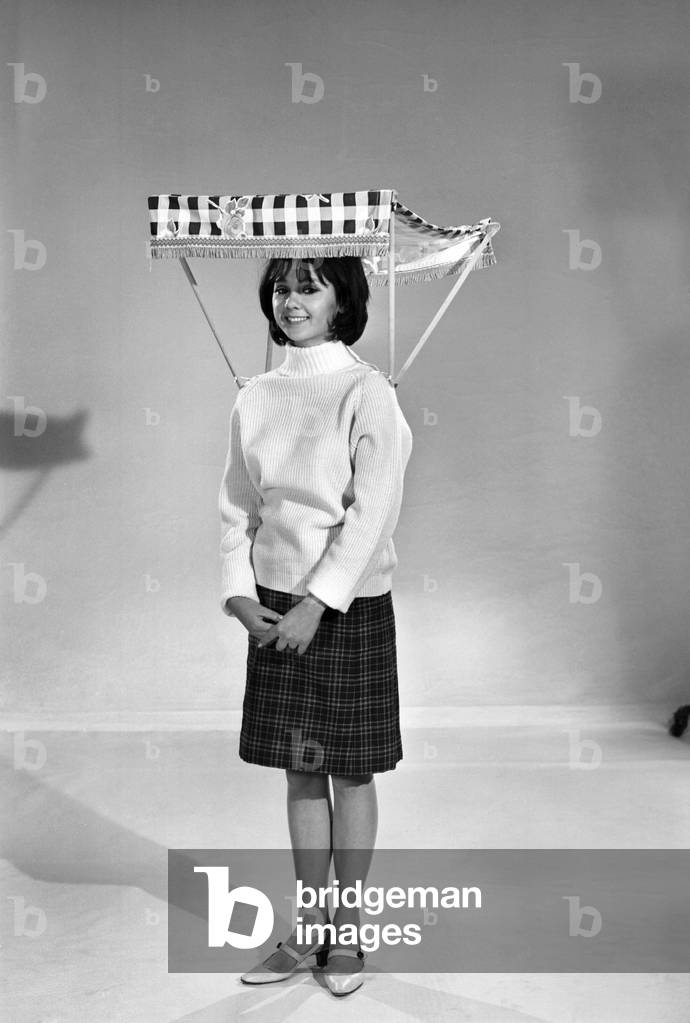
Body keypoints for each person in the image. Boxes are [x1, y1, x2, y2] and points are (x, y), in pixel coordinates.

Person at [218, 254, 413, 996]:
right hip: (272, 605)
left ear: (343, 300)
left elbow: (374, 512)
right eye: (281, 286)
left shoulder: (368, 391)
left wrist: (319, 600)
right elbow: (237, 504)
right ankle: (308, 930)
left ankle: (349, 932)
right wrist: (239, 591)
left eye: (310, 284)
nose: (291, 299)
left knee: (350, 766)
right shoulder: (255, 394)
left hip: (347, 606)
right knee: (301, 767)